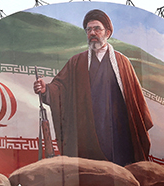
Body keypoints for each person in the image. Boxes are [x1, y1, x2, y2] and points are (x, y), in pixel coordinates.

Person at [32, 9, 153, 167]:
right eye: (88, 30)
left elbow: (135, 100)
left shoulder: (122, 62)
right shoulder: (77, 62)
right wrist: (45, 90)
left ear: (107, 33)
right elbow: (60, 88)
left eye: (97, 29)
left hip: (118, 131)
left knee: (122, 171)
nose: (92, 33)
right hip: (88, 129)